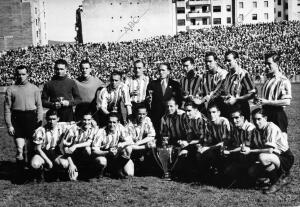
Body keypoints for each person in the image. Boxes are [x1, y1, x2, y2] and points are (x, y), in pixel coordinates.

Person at [246, 108, 294, 194]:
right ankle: (271, 177)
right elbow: (249, 144)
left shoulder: (271, 127)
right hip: (273, 156)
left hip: (284, 157)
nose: (256, 122)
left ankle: (276, 182)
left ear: (266, 118)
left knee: (263, 157)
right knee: (251, 171)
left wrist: (250, 151)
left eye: (259, 119)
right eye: (254, 120)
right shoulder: (255, 130)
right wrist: (244, 147)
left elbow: (269, 150)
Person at [4, 65, 43, 168]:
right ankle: (21, 173)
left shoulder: (34, 88)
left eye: (23, 74)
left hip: (31, 119)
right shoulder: (11, 89)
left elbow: (39, 106)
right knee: (20, 150)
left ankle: (32, 170)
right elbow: (7, 109)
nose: (21, 76)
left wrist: (39, 122)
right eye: (18, 74)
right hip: (17, 119)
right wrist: (9, 125)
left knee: (32, 149)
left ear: (28, 75)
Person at [30, 110, 73, 182]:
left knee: (64, 164)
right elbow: (38, 149)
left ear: (58, 119)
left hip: (55, 152)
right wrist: (48, 162)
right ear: (46, 119)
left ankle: (55, 172)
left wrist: (93, 122)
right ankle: (39, 173)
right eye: (50, 119)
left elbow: (76, 123)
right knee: (35, 164)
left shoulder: (62, 126)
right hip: (43, 152)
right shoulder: (40, 130)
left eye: (54, 119)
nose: (52, 121)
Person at [256, 52, 292, 134]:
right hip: (267, 114)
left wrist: (267, 102)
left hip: (277, 115)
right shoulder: (268, 79)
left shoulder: (283, 80)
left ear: (277, 64)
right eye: (265, 63)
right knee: (269, 142)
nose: (266, 66)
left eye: (269, 64)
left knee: (280, 144)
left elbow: (287, 101)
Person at [91, 113, 134, 179]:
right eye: (110, 122)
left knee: (128, 149)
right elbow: (94, 151)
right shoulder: (101, 132)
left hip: (114, 154)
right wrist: (107, 152)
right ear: (107, 122)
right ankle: (100, 173)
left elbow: (130, 141)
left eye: (114, 122)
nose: (112, 124)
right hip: (103, 154)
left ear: (118, 122)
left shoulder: (120, 127)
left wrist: (122, 144)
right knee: (102, 161)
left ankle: (117, 170)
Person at [222, 106, 256, 186]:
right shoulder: (234, 128)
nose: (234, 121)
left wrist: (229, 151)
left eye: (237, 118)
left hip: (251, 156)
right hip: (238, 154)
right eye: (232, 118)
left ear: (243, 117)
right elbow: (229, 141)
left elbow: (245, 146)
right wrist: (224, 147)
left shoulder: (250, 128)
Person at [196, 103, 230, 181]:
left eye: (214, 112)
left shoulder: (224, 122)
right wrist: (202, 146)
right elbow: (208, 140)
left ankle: (221, 174)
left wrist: (209, 148)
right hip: (215, 146)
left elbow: (225, 142)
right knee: (199, 153)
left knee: (212, 152)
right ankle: (204, 175)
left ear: (219, 113)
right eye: (209, 112)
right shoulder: (208, 124)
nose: (211, 114)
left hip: (226, 147)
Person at [146, 63, 183, 134]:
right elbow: (148, 100)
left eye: (163, 70)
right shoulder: (152, 84)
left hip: (170, 114)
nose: (161, 72)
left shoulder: (175, 84)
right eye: (159, 70)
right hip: (156, 115)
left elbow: (179, 100)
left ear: (168, 71)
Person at [60, 113, 98, 181]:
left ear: (91, 119)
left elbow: (88, 143)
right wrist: (71, 164)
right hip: (70, 154)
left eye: (89, 120)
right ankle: (69, 169)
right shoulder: (73, 129)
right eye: (84, 120)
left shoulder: (93, 128)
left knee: (88, 149)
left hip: (82, 153)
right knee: (73, 179)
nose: (87, 122)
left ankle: (83, 171)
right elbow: (65, 148)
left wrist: (76, 145)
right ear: (80, 120)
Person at [221, 50, 256, 121]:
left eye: (229, 61)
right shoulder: (228, 75)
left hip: (241, 110)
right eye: (226, 61)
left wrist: (236, 99)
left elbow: (252, 93)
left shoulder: (243, 74)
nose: (227, 63)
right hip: (229, 109)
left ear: (236, 60)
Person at [125, 105, 156, 175]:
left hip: (139, 145)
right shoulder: (129, 121)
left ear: (146, 114)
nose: (141, 116)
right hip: (132, 149)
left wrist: (139, 142)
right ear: (135, 113)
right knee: (129, 173)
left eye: (143, 114)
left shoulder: (147, 119)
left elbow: (152, 135)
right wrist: (142, 146)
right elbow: (129, 142)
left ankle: (148, 166)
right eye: (139, 114)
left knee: (153, 144)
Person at [199, 52, 228, 116]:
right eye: (206, 61)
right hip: (209, 109)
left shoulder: (223, 73)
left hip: (221, 108)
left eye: (210, 61)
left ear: (216, 61)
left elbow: (218, 89)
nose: (207, 64)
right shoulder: (204, 75)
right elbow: (202, 91)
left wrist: (203, 100)